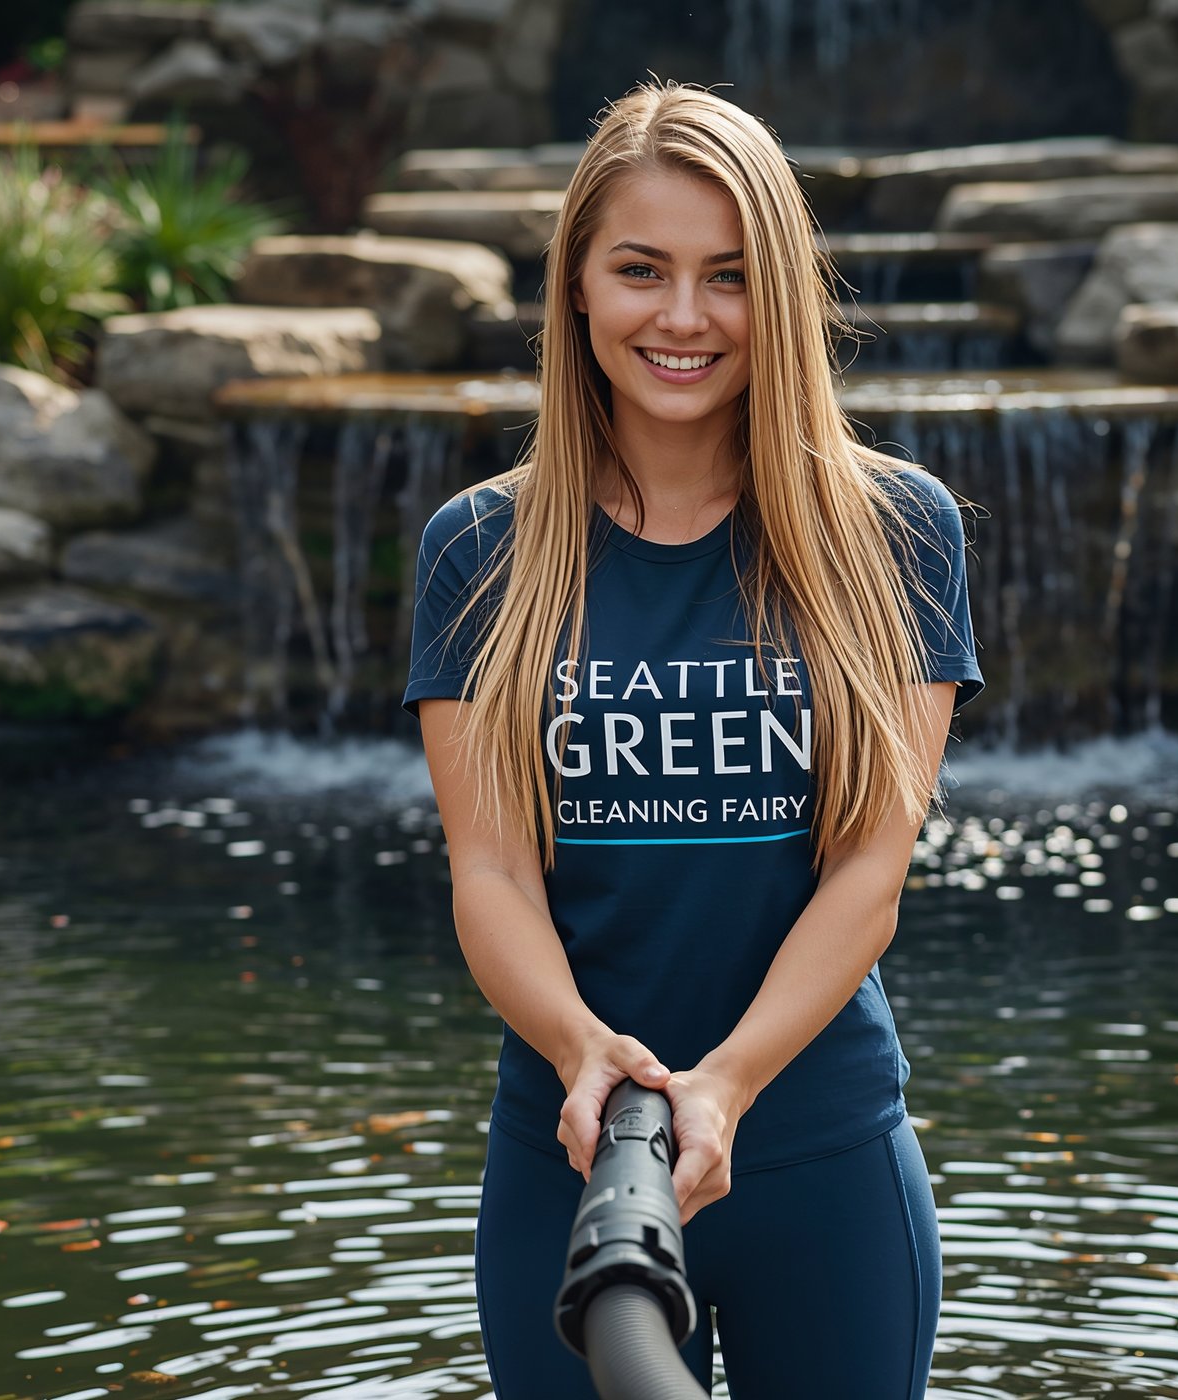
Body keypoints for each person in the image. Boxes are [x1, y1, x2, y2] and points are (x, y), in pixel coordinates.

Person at [400, 81, 983, 1399]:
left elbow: (869, 874)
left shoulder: (894, 534)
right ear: (578, 290)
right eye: (641, 270)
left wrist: (726, 1085)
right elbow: (488, 872)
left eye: (728, 276)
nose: (682, 316)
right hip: (567, 1150)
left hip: (818, 1150)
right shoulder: (479, 551)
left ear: (779, 292)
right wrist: (578, 1054)